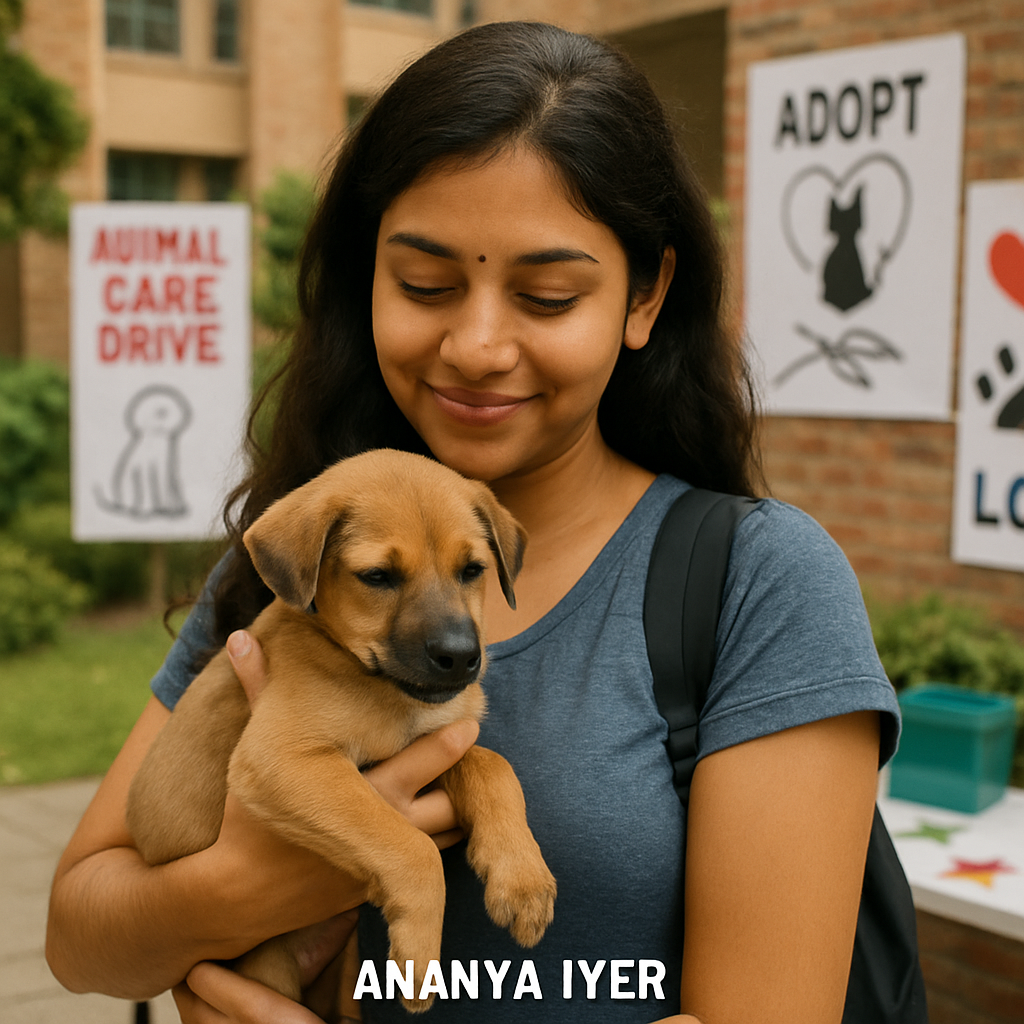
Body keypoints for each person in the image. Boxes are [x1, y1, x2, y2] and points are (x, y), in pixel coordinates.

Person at [46, 20, 900, 1024]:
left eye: (545, 293)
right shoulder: (298, 566)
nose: (477, 344)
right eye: (424, 283)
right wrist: (250, 882)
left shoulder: (753, 582)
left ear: (643, 295)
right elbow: (78, 934)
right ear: (367, 278)